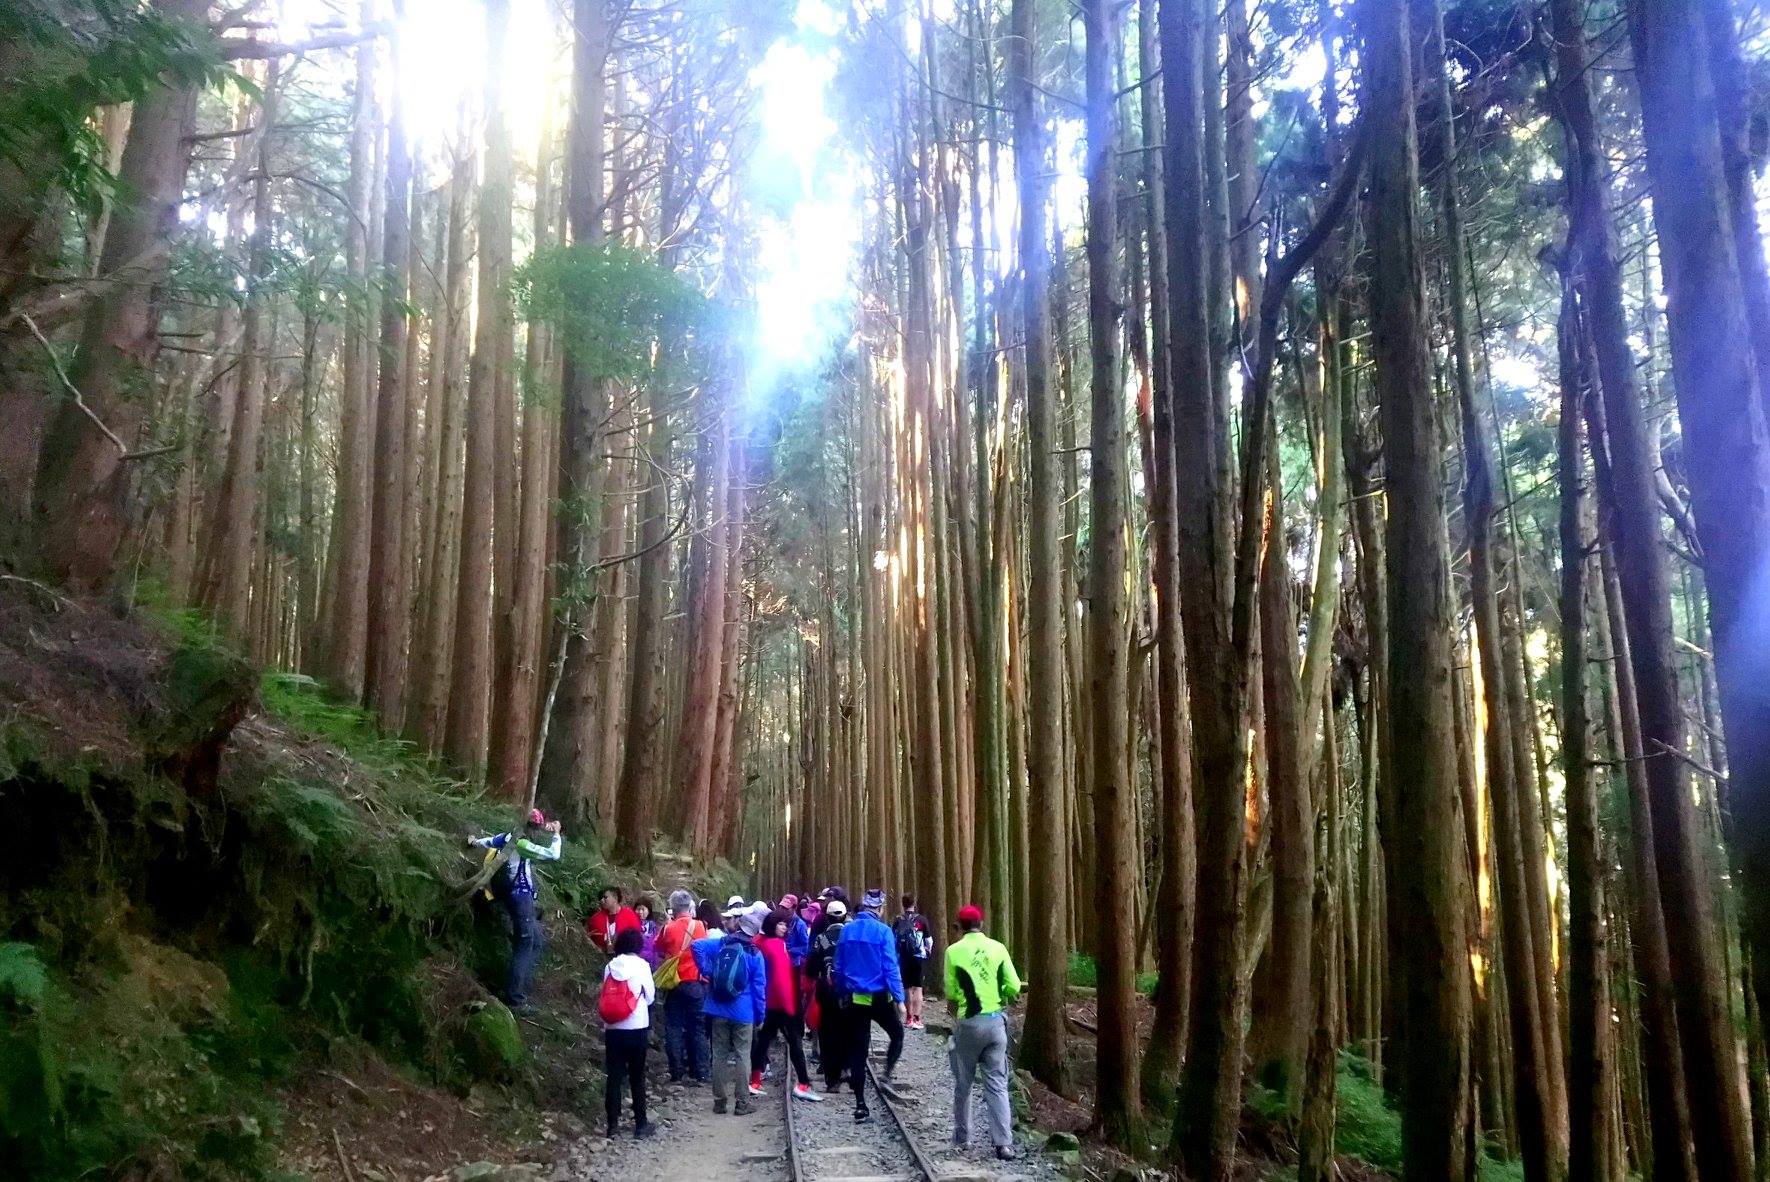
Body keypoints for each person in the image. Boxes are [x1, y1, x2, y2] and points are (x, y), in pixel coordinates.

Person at [944, 904, 1023, 1161]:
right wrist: (997, 992)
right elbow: (1013, 985)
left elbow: (951, 991)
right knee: (997, 1084)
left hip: (968, 1024)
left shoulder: (953, 951)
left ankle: (962, 1137)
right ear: (982, 924)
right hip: (995, 1024)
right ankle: (1004, 1144)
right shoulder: (998, 948)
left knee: (963, 1083)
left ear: (960, 927)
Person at [468, 809, 561, 1012]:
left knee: (537, 940)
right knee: (526, 941)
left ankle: (520, 987)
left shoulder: (509, 837)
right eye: (535, 827)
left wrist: (474, 841)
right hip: (520, 897)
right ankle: (515, 997)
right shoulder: (522, 844)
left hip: (514, 896)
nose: (537, 832)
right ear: (530, 827)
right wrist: (556, 835)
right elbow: (554, 855)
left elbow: (490, 841)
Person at [834, 888, 906, 1123]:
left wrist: (841, 992)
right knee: (896, 1033)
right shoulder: (884, 932)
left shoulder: (847, 931)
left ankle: (860, 1105)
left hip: (855, 999)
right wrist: (899, 998)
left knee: (858, 1051)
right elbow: (890, 967)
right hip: (879, 999)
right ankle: (886, 1074)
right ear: (880, 908)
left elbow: (839, 965)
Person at [691, 900, 768, 1115]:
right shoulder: (755, 954)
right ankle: (742, 1103)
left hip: (717, 1008)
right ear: (753, 933)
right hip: (744, 1012)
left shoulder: (722, 944)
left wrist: (708, 971)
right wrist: (760, 1015)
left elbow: (695, 946)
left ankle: (719, 1102)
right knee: (743, 1056)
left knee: (720, 1055)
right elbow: (760, 990)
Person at [751, 908, 824, 1101]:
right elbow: (782, 980)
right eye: (781, 924)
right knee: (795, 1043)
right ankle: (803, 1084)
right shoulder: (777, 946)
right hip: (782, 1004)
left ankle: (755, 1080)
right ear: (772, 925)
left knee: (764, 1040)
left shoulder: (758, 942)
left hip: (767, 1001)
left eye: (786, 924)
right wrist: (791, 1008)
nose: (784, 928)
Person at [600, 927, 657, 1140]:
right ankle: (641, 1125)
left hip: (613, 1027)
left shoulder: (610, 966)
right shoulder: (642, 966)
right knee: (637, 1076)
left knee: (614, 1076)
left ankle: (612, 1126)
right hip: (636, 1025)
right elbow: (650, 996)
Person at [655, 890, 710, 1085]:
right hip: (695, 982)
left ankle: (676, 1071)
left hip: (674, 982)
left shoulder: (667, 928)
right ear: (689, 906)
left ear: (673, 908)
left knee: (674, 1027)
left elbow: (658, 948)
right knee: (697, 1028)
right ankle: (701, 1070)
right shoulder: (700, 926)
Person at [805, 898, 848, 1088]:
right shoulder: (851, 937)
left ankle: (832, 1079)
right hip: (848, 990)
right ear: (845, 916)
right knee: (847, 1029)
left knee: (827, 1031)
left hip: (826, 989)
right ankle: (847, 1067)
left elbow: (811, 968)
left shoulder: (821, 939)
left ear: (827, 918)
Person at [892, 894, 932, 1029]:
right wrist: (927, 951)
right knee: (918, 987)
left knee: (907, 987)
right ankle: (917, 1018)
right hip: (918, 957)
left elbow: (893, 938)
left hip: (903, 956)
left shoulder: (898, 920)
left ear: (903, 904)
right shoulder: (922, 920)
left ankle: (908, 1018)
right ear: (914, 904)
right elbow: (928, 940)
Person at [587, 886, 640, 953]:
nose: (602, 900)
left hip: (624, 957)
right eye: (600, 898)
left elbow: (636, 937)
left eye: (605, 897)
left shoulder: (630, 915)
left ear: (615, 898)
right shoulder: (595, 919)